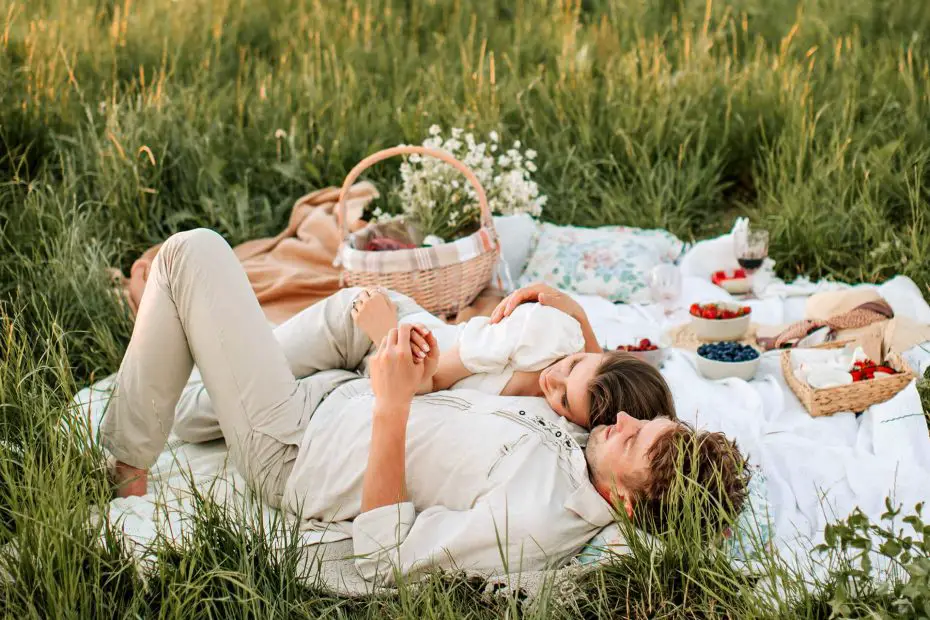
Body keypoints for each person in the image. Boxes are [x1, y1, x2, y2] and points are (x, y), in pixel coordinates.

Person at [102, 228, 748, 584]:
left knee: (192, 252)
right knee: (356, 315)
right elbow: (605, 384)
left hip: (295, 449)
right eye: (642, 421)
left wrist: (392, 405)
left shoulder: (534, 522)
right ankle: (198, 406)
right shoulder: (592, 450)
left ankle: (125, 462)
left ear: (628, 504)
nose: (622, 423)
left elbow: (385, 557)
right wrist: (569, 313)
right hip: (338, 393)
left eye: (634, 439)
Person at [348, 284, 676, 429]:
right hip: (393, 331)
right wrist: (384, 330)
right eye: (573, 364)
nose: (552, 379)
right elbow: (430, 380)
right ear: (598, 352)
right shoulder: (539, 334)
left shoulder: (571, 424)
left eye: (563, 398)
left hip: (385, 374)